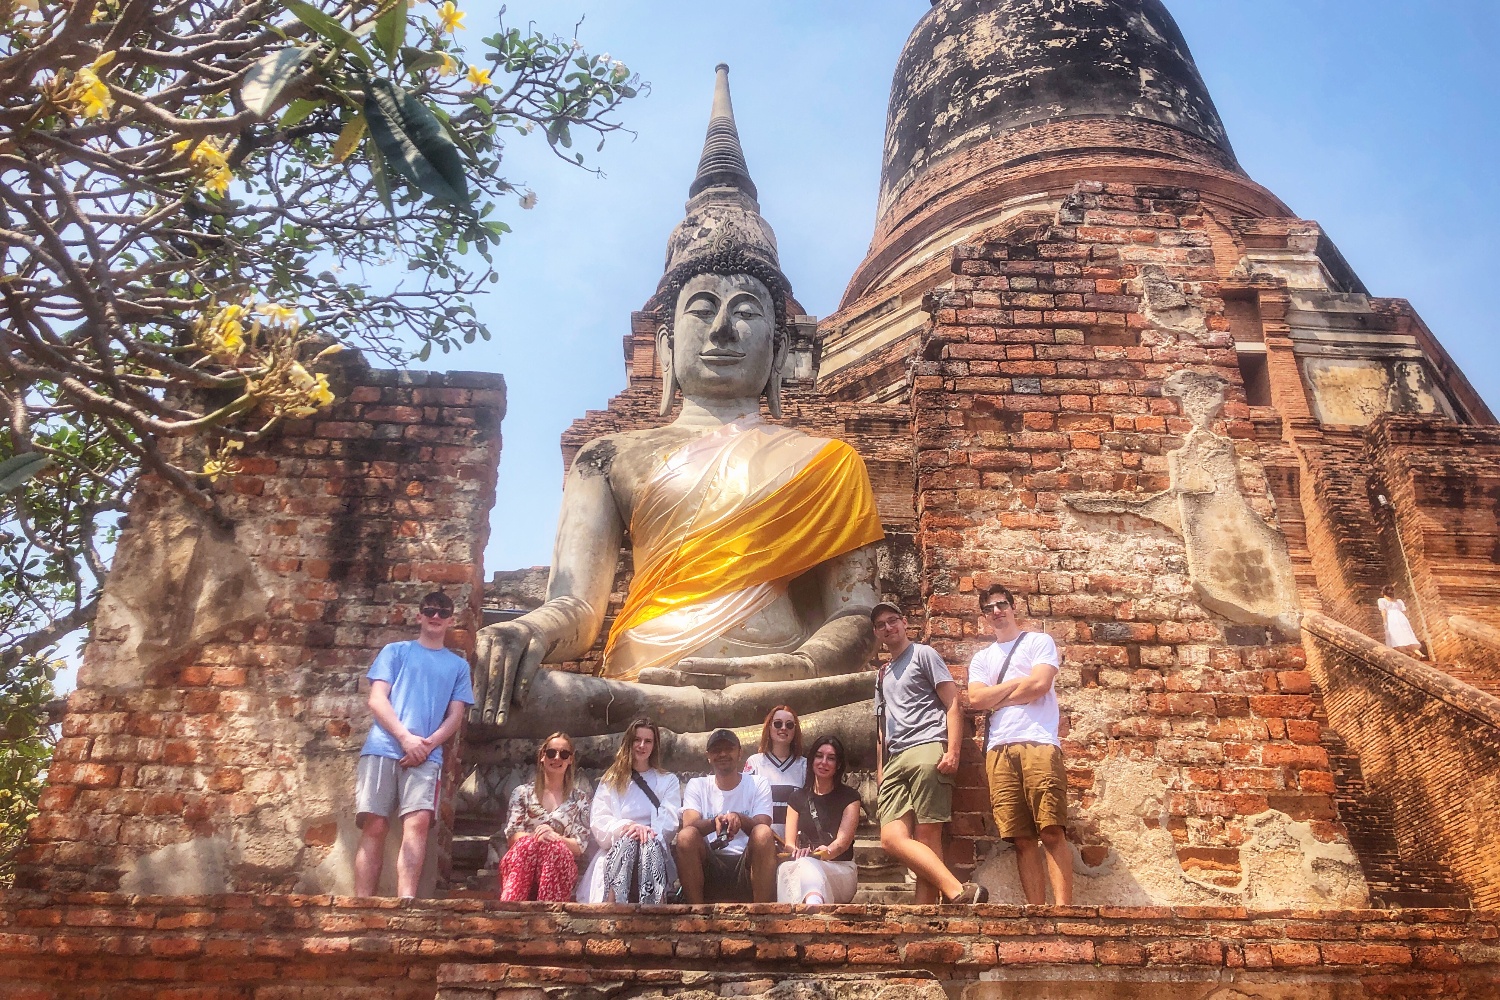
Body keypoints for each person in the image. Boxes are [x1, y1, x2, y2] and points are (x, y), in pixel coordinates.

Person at [469, 67, 884, 740]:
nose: (722, 330)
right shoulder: (610, 457)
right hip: (639, 686)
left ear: (780, 348)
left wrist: (792, 664)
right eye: (702, 310)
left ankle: (713, 726)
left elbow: (855, 617)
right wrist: (526, 631)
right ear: (664, 343)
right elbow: (577, 603)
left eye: (746, 311)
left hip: (779, 689)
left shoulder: (829, 463)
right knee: (513, 695)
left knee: (874, 710)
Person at [353, 591, 474, 898]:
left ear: (451, 619)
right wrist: (406, 739)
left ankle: (406, 901)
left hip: (427, 755)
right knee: (375, 826)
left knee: (417, 825)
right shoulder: (396, 652)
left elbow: (455, 715)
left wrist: (426, 745)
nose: (436, 616)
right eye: (430, 610)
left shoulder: (458, 666)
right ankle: (361, 903)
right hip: (383, 746)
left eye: (442, 611)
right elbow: (377, 699)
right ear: (419, 615)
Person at [872, 601, 986, 904]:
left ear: (905, 622)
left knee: (927, 837)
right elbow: (881, 726)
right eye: (881, 624)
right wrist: (881, 767)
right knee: (891, 839)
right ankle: (959, 890)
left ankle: (926, 916)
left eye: (893, 620)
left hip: (926, 745)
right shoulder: (882, 674)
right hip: (895, 758)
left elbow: (952, 701)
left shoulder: (924, 654)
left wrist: (954, 751)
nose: (888, 627)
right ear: (877, 633)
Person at [966, 584, 1072, 905]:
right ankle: (1038, 914)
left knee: (1052, 830)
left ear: (1013, 607)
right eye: (989, 609)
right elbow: (975, 698)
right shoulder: (982, 658)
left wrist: (997, 695)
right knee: (1022, 838)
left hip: (1038, 742)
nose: (996, 612)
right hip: (998, 749)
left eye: (1001, 605)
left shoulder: (1038, 641)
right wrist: (1016, 683)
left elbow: (1040, 685)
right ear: (985, 617)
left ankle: (1065, 912)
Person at [579, 718, 681, 904]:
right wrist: (629, 827)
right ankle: (615, 911)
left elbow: (670, 822)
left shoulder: (668, 781)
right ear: (629, 742)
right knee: (627, 845)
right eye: (637, 740)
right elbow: (600, 821)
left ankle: (653, 911)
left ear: (654, 745)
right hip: (618, 846)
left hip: (653, 845)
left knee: (649, 847)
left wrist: (646, 833)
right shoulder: (611, 780)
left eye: (648, 741)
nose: (641, 745)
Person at [676, 728, 777, 903]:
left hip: (748, 864)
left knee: (763, 833)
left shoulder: (757, 783)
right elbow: (689, 824)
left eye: (729, 748)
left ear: (740, 753)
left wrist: (739, 818)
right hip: (709, 863)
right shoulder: (697, 785)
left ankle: (762, 915)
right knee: (685, 837)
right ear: (708, 756)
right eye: (716, 750)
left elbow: (764, 824)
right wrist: (713, 822)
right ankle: (697, 916)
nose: (723, 754)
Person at [498, 733, 590, 902]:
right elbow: (512, 836)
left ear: (570, 760)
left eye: (563, 754)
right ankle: (511, 909)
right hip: (524, 861)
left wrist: (554, 838)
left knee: (555, 849)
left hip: (559, 864)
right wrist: (538, 837)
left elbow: (579, 846)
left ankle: (548, 913)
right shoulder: (522, 793)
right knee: (526, 845)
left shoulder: (580, 799)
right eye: (551, 753)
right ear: (542, 756)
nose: (557, 758)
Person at [779, 735, 863, 906]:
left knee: (807, 866)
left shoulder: (850, 797)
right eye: (819, 756)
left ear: (838, 765)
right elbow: (789, 843)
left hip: (840, 868)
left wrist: (827, 852)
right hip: (805, 865)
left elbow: (842, 843)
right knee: (785, 869)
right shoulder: (796, 798)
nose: (823, 762)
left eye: (830, 758)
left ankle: (813, 911)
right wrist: (796, 851)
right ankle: (812, 905)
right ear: (811, 760)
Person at [743, 705, 807, 843]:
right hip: (762, 842)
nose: (783, 728)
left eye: (789, 725)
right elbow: (744, 802)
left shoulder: (805, 766)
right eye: (778, 724)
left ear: (795, 731)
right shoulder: (754, 763)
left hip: (794, 845)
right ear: (769, 727)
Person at [1379, 584, 1424, 658]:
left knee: (1395, 637)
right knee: (1405, 635)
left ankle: (1406, 653)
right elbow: (1403, 612)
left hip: (1391, 619)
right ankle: (1419, 654)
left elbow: (1384, 613)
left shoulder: (1381, 601)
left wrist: (1385, 623)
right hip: (1401, 618)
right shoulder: (1399, 601)